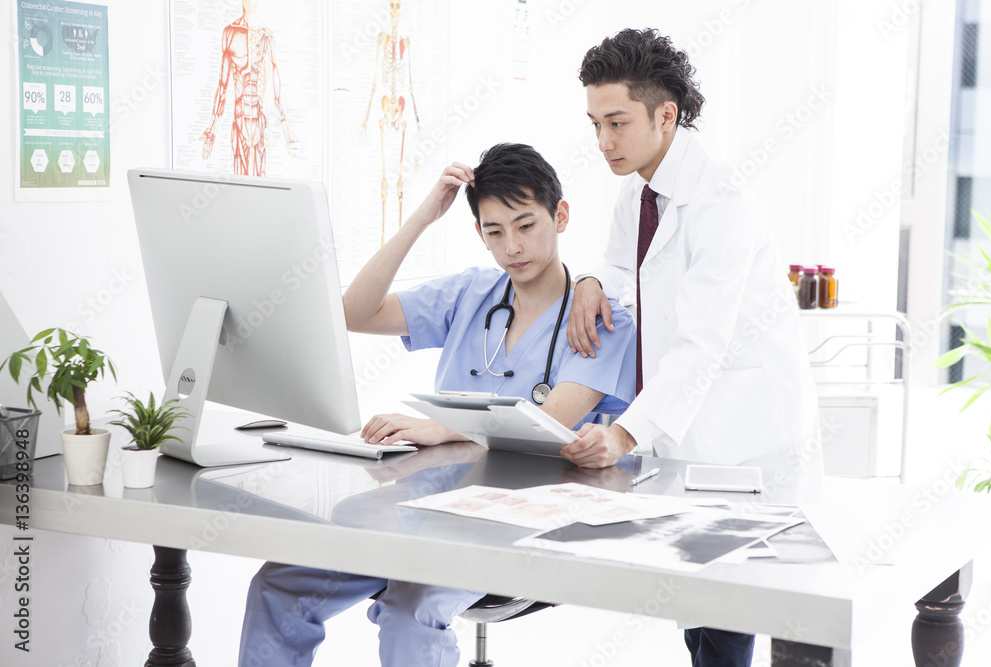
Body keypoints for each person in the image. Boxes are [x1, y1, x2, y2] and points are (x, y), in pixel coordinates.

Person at [237, 142, 637, 667]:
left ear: (559, 216)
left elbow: (549, 422)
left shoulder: (599, 317)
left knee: (410, 608)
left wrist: (442, 428)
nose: (512, 246)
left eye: (525, 225)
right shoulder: (470, 294)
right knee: (277, 585)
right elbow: (353, 312)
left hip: (524, 521)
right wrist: (424, 217)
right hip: (425, 506)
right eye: (494, 231)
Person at [560, 28, 821, 667]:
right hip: (687, 434)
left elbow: (701, 343)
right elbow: (625, 271)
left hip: (745, 438)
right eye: (595, 124)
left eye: (617, 123)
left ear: (667, 114)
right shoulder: (638, 191)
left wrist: (623, 435)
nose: (603, 143)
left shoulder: (720, 203)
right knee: (699, 613)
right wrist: (593, 279)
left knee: (729, 611)